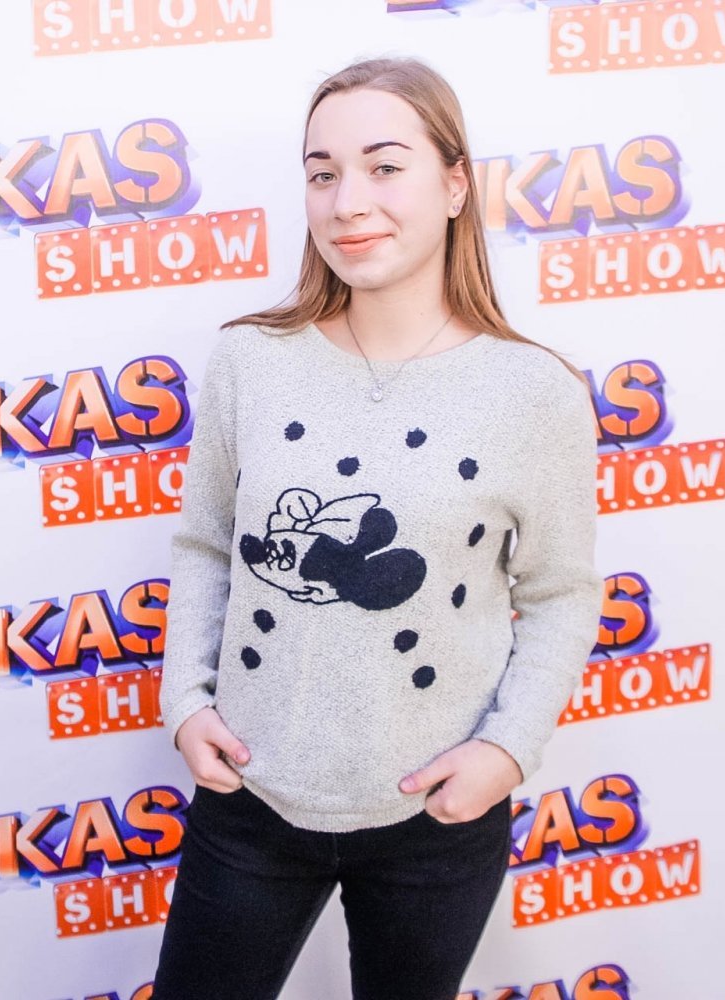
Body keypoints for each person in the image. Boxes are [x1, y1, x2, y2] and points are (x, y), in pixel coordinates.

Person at [151, 56, 601, 1000]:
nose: (348, 201)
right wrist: (185, 702)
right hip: (250, 800)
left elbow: (561, 594)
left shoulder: (536, 394)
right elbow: (206, 544)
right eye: (322, 173)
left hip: (435, 822)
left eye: (385, 166)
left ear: (455, 184)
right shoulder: (249, 360)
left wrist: (506, 749)